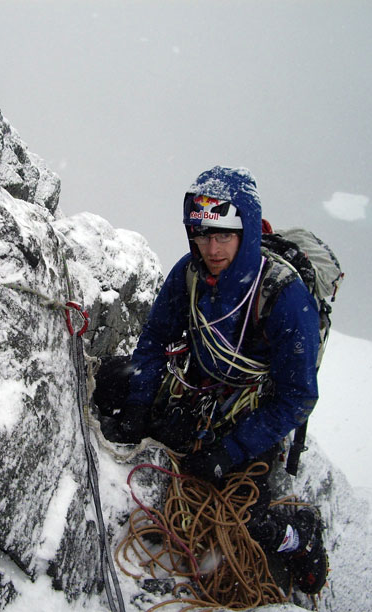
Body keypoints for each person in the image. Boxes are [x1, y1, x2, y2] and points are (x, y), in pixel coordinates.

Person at [95, 166, 328, 595]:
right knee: (113, 381)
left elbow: (297, 398)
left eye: (223, 236)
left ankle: (298, 533)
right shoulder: (191, 273)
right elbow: (153, 343)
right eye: (202, 235)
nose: (212, 248)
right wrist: (138, 405)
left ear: (247, 232)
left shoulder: (283, 296)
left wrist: (230, 451)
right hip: (200, 390)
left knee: (243, 525)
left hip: (252, 411)